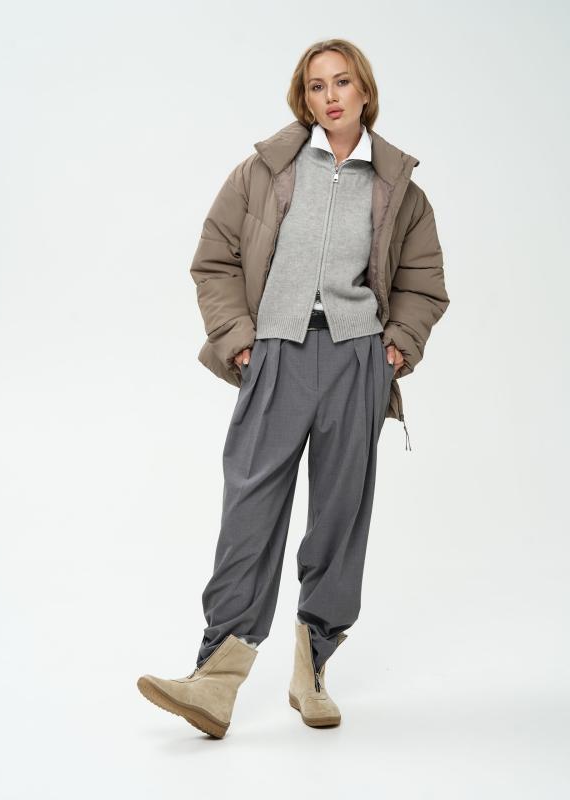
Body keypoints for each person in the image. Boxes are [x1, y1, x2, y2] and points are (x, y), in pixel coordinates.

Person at [137, 38, 449, 738]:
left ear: (365, 91)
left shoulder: (399, 188)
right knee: (250, 507)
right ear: (302, 97)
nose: (329, 96)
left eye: (342, 82)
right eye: (316, 86)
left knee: (340, 513)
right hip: (274, 352)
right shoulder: (265, 171)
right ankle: (217, 678)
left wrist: (396, 346)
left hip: (355, 360)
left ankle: (314, 668)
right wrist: (238, 338)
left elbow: (423, 281)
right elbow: (214, 258)